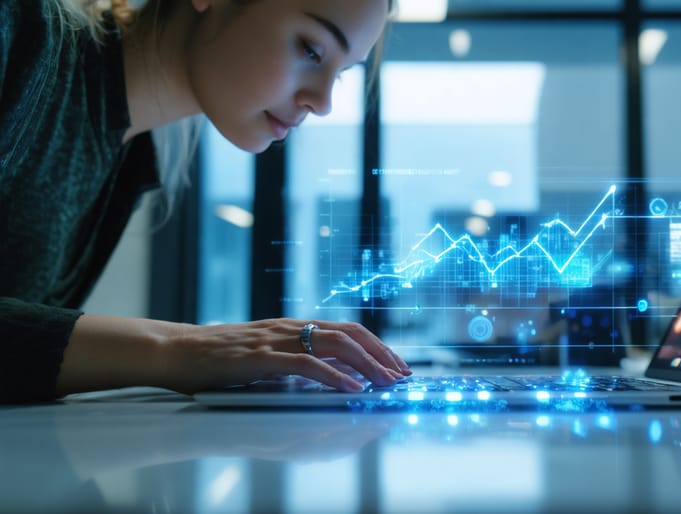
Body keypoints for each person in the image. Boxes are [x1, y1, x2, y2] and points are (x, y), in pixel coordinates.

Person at [0, 0, 412, 403]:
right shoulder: (19, 27)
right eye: (311, 49)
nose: (322, 103)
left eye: (339, 75)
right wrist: (182, 349)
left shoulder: (127, 159)